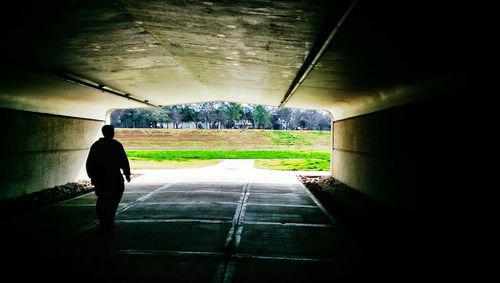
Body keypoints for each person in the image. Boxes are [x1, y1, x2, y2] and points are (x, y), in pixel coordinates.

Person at [86, 125, 131, 229]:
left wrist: (92, 175)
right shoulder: (116, 145)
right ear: (112, 133)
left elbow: (90, 161)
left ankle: (103, 219)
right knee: (114, 199)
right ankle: (110, 219)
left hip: (100, 178)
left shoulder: (96, 145)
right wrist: (127, 173)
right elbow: (123, 160)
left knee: (102, 199)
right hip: (114, 176)